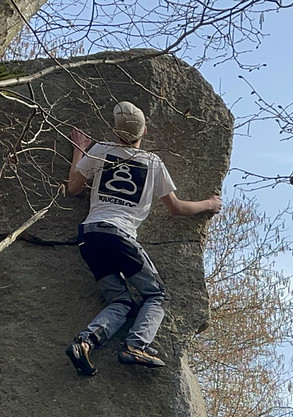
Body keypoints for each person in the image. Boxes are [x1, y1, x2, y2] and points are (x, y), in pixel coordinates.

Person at [62, 100, 222, 375]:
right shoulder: (152, 163)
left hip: (89, 236)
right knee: (157, 295)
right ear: (144, 131)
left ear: (115, 130)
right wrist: (209, 204)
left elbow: (73, 187)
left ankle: (85, 343)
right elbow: (176, 207)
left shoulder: (100, 150)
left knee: (122, 301)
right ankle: (135, 345)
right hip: (119, 237)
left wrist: (79, 150)